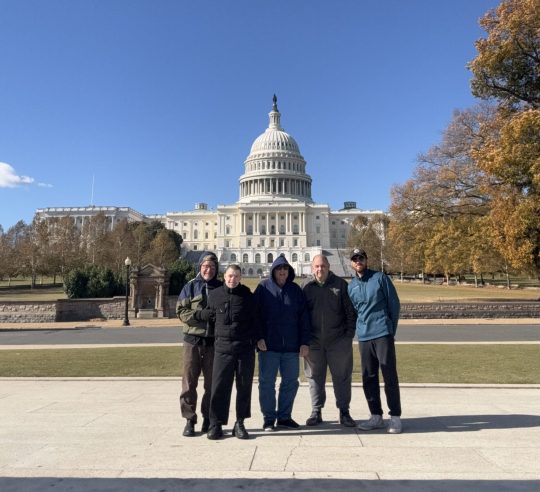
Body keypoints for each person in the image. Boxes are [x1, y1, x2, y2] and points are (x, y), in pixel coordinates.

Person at [347, 248, 403, 434]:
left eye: (361, 258)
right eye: (355, 259)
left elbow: (393, 305)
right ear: (351, 263)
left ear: (366, 260)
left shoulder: (380, 278)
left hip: (382, 333)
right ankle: (375, 416)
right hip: (364, 336)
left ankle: (394, 416)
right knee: (368, 377)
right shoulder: (351, 286)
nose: (358, 261)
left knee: (389, 375)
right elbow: (355, 311)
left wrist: (389, 330)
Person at [255, 254, 311, 431]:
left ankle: (285, 417)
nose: (282, 272)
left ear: (289, 271)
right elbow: (254, 316)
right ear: (273, 271)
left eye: (285, 269)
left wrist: (304, 342)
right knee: (267, 383)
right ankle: (269, 418)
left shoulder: (295, 290)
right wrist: (258, 337)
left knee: (290, 382)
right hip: (269, 346)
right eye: (279, 269)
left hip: (291, 346)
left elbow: (304, 318)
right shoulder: (263, 288)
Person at [205, 264, 261, 440]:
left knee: (243, 387)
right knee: (219, 386)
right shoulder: (214, 296)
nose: (232, 279)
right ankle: (216, 423)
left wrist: (257, 340)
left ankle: (240, 422)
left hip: (244, 349)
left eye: (236, 276)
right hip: (222, 348)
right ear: (224, 277)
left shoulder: (247, 296)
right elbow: (210, 321)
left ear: (240, 277)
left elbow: (256, 321)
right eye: (230, 276)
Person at [302, 254, 357, 428]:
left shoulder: (340, 285)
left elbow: (350, 312)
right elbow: (300, 315)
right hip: (314, 341)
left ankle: (344, 411)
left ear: (328, 267)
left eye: (323, 266)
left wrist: (348, 335)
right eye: (317, 267)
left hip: (338, 341)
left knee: (341, 377)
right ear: (312, 268)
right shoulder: (306, 287)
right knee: (314, 377)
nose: (320, 269)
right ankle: (316, 411)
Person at [177, 252, 222, 437]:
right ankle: (189, 419)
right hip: (192, 341)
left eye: (211, 266)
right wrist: (198, 316)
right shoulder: (190, 286)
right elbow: (181, 311)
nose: (208, 269)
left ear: (216, 269)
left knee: (212, 384)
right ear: (200, 267)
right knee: (189, 382)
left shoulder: (221, 288)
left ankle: (208, 418)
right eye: (205, 266)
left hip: (213, 342)